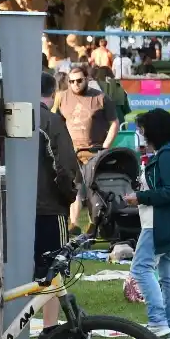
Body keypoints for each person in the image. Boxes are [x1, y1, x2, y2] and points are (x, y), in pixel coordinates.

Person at [124, 109, 170, 339]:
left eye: (144, 129)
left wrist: (141, 197)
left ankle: (158, 321)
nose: (142, 134)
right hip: (168, 219)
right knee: (167, 271)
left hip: (158, 221)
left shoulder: (167, 155)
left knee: (141, 269)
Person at [35, 72, 82, 332]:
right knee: (54, 269)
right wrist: (69, 196)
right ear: (53, 93)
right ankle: (49, 328)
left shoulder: (7, 117)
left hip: (12, 208)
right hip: (49, 207)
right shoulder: (51, 122)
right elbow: (64, 167)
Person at [59, 64, 119, 231]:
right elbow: (58, 122)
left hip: (95, 152)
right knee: (74, 189)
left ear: (86, 79)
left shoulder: (101, 98)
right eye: (71, 81)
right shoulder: (62, 98)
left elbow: (114, 123)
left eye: (79, 80)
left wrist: (105, 147)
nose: (75, 84)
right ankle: (74, 224)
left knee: (95, 190)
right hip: (72, 152)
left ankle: (96, 224)